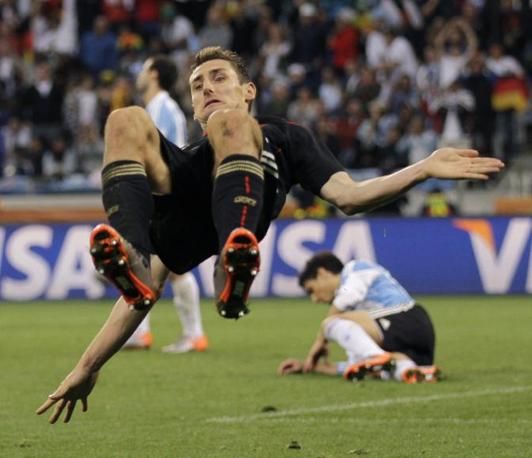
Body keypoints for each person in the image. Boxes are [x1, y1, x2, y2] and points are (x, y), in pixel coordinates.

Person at [36, 46, 503, 423]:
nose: (207, 88)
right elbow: (143, 297)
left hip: (236, 212)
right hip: (183, 210)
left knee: (232, 127)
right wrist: (86, 367)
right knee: (124, 119)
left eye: (219, 78)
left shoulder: (287, 137)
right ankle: (134, 252)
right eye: (197, 86)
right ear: (192, 107)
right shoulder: (192, 152)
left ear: (249, 90)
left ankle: (232, 265)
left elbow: (350, 196)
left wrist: (423, 168)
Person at [122, 55, 208, 353]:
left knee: (168, 265)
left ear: (154, 74)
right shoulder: (157, 107)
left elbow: (157, 154)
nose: (139, 74)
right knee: (147, 262)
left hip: (167, 196)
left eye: (144, 68)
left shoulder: (162, 108)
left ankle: (192, 334)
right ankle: (143, 332)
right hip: (163, 194)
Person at [278, 252, 440, 383]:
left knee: (332, 323)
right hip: (413, 344)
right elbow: (356, 363)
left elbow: (347, 299)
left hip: (407, 317)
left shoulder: (355, 268)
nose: (314, 300)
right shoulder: (355, 320)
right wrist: (312, 367)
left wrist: (321, 340)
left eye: (311, 290)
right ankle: (412, 371)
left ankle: (376, 357)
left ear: (322, 273)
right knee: (381, 370)